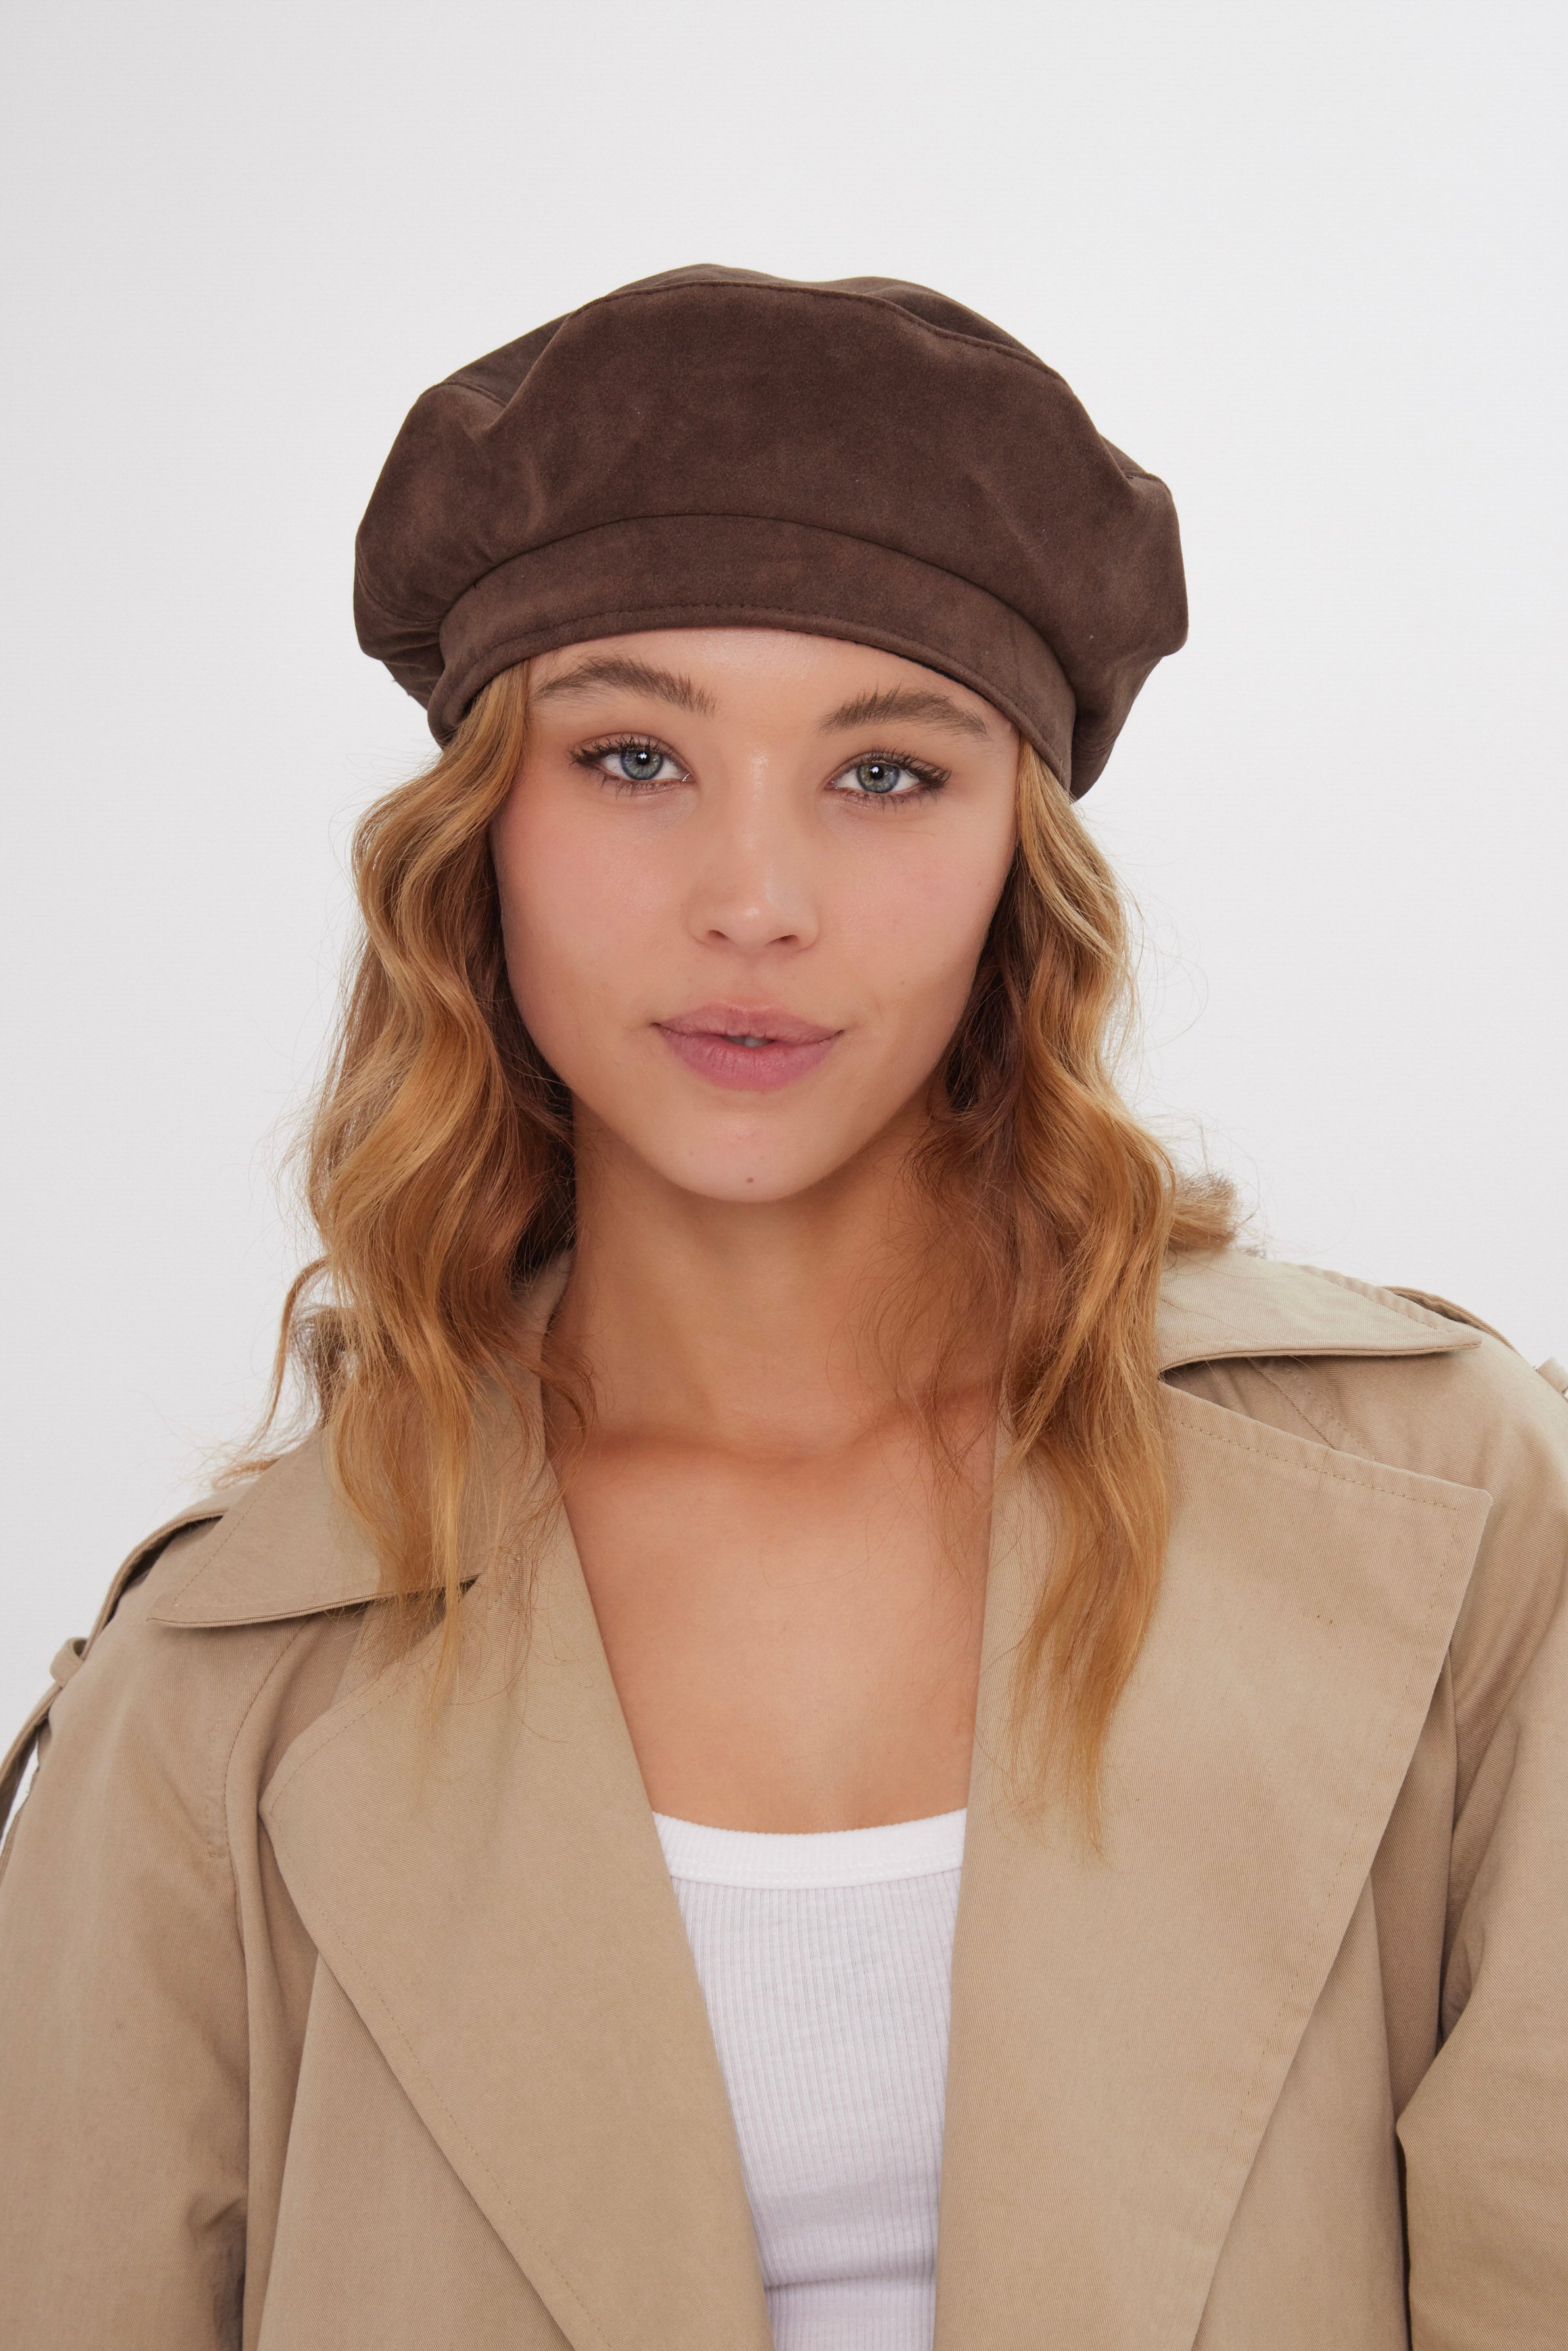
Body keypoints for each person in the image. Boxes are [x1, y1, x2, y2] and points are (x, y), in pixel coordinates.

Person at [0, 266, 1563, 2351]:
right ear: (485, 841)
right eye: (635, 757)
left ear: (1025, 852)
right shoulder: (213, 1692)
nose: (756, 898)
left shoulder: (1459, 1512)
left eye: (887, 773)